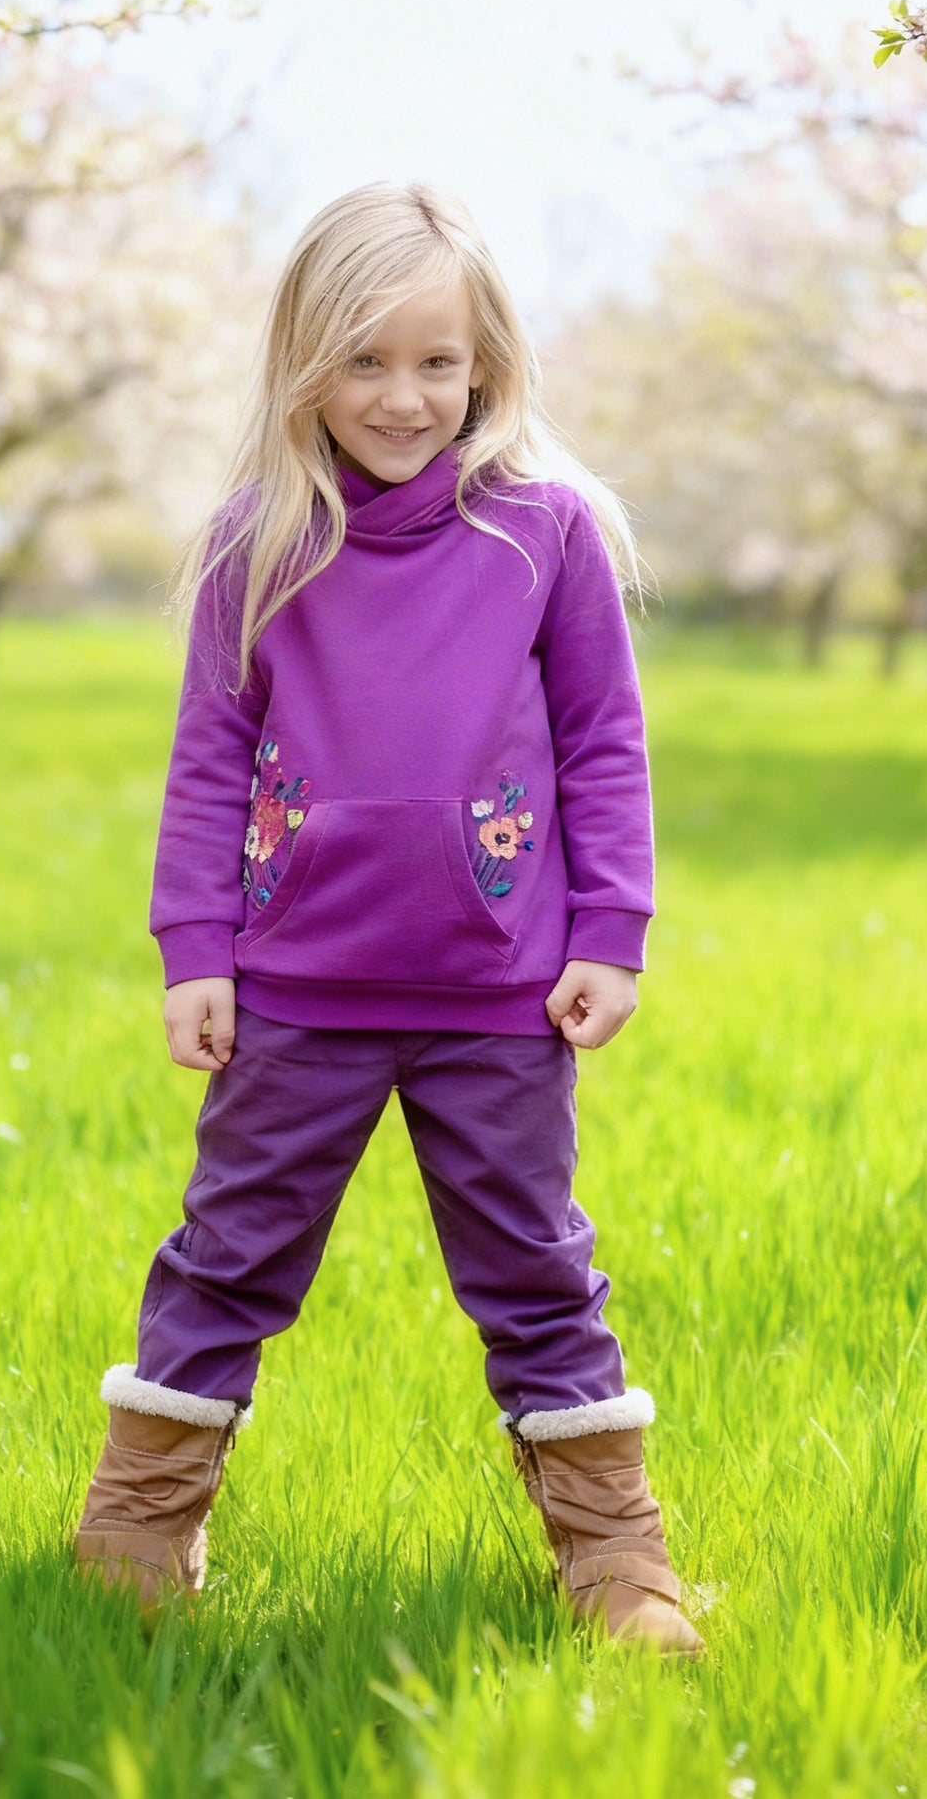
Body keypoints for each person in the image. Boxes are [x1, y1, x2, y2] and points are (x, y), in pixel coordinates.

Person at [72, 182, 702, 1656]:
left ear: (488, 360)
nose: (404, 396)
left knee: (534, 1262)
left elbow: (604, 740)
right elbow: (208, 757)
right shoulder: (261, 538)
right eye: (363, 360)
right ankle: (141, 1528)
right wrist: (194, 951)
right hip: (293, 986)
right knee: (226, 1252)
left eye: (437, 361)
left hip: (499, 989)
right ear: (303, 361)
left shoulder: (543, 536)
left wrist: (609, 931)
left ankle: (615, 1556)